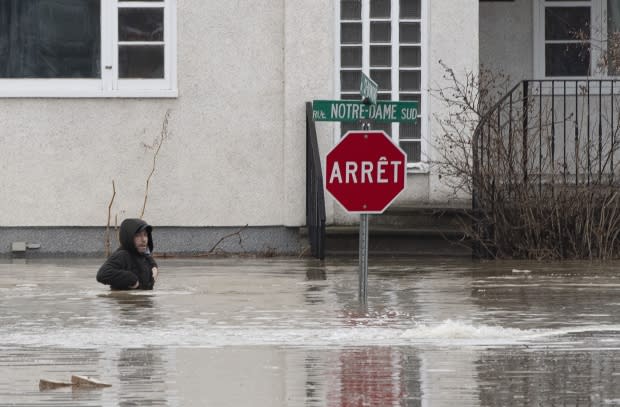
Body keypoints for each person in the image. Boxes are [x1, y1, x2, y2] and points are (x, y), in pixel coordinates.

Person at [97, 218, 159, 290]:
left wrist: (154, 266)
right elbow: (102, 274)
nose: (143, 239)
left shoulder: (143, 254)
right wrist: (131, 279)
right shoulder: (122, 255)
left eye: (145, 235)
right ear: (128, 237)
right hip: (127, 300)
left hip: (143, 299)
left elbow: (148, 257)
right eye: (138, 235)